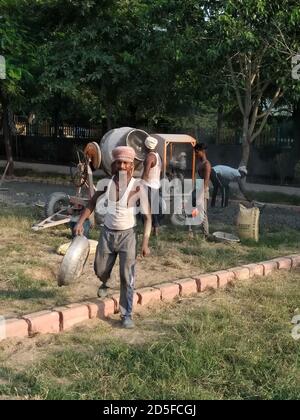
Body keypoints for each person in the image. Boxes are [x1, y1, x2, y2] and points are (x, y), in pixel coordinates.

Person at [74, 146, 152, 329]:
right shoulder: (106, 184)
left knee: (127, 277)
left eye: (126, 162)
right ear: (114, 165)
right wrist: (79, 222)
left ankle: (126, 314)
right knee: (100, 269)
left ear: (131, 165)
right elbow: (91, 203)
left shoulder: (138, 187)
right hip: (107, 233)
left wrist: (145, 242)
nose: (122, 166)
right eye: (119, 162)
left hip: (129, 236)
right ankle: (105, 281)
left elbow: (148, 217)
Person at [141, 135, 162, 236]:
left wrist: (140, 185)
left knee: (147, 209)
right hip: (156, 185)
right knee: (154, 209)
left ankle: (149, 229)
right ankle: (156, 230)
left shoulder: (150, 157)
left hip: (148, 185)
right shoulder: (158, 156)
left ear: (146, 146)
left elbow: (145, 173)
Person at [194, 143, 211, 237]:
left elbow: (206, 182)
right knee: (195, 210)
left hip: (203, 191)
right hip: (198, 188)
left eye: (196, 152)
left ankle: (206, 234)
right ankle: (194, 231)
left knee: (203, 213)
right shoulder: (200, 163)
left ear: (202, 151)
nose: (195, 154)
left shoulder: (207, 164)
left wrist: (201, 194)